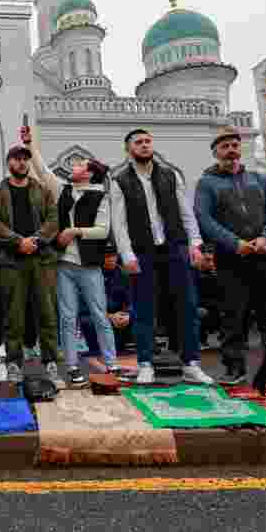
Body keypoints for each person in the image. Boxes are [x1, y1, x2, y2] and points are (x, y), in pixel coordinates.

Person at [110, 129, 215, 385]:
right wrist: (127, 255)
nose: (145, 146)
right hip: (142, 252)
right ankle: (145, 363)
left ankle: (191, 363)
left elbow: (186, 212)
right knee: (143, 309)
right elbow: (119, 223)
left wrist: (196, 244)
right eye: (138, 142)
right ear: (129, 149)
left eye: (148, 141)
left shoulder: (170, 175)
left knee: (187, 306)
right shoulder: (119, 180)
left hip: (175, 248)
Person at [22, 126, 117, 387]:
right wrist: (30, 145)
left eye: (79, 165)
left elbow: (103, 230)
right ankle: (73, 367)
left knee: (99, 314)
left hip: (88, 266)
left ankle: (111, 365)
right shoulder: (63, 190)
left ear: (88, 173)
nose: (74, 167)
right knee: (67, 317)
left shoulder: (100, 197)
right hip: (64, 264)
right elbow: (42, 170)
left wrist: (74, 231)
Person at [195, 128, 266, 385]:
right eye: (225, 147)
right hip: (231, 260)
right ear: (215, 152)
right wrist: (235, 243)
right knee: (233, 316)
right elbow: (205, 219)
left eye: (235, 145)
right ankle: (234, 368)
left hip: (265, 256)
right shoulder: (207, 183)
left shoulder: (259, 178)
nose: (231, 150)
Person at [0, 142, 60, 384]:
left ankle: (50, 362)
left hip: (41, 260)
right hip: (10, 262)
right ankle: (14, 365)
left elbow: (53, 219)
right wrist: (18, 242)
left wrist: (36, 241)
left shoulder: (42, 190)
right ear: (9, 163)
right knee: (13, 316)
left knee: (47, 314)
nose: (21, 162)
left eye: (24, 159)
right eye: (17, 158)